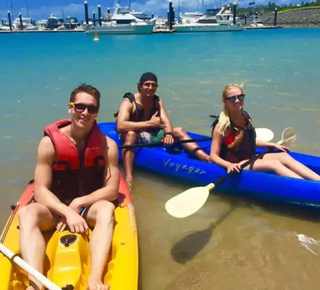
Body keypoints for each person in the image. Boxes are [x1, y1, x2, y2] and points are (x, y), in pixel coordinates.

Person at [18, 84, 119, 290]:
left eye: (91, 108)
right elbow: (40, 190)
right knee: (27, 213)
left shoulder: (108, 145)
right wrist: (66, 211)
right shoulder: (49, 144)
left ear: (97, 112)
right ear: (70, 108)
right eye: (80, 106)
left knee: (107, 209)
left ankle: (95, 279)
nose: (85, 112)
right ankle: (35, 283)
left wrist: (78, 204)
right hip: (54, 209)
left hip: (88, 206)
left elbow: (112, 190)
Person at [115, 72, 211, 189]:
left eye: (153, 85)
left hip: (151, 133)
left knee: (179, 130)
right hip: (134, 134)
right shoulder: (129, 102)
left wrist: (169, 134)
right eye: (147, 84)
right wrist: (149, 123)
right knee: (130, 134)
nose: (150, 88)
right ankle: (129, 177)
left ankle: (204, 157)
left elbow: (165, 120)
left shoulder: (157, 101)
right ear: (140, 86)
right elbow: (120, 125)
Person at [210, 83, 320, 181]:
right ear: (225, 101)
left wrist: (271, 144)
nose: (237, 100)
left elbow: (248, 141)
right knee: (274, 164)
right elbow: (213, 156)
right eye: (232, 99)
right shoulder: (222, 126)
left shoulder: (246, 116)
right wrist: (228, 165)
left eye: (240, 96)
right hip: (238, 163)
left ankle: (318, 180)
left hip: (250, 157)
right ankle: (308, 187)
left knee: (284, 156)